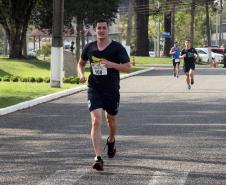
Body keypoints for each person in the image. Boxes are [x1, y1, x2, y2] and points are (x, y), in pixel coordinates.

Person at [77, 19, 131, 171]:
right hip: (94, 88)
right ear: (95, 30)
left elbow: (128, 68)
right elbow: (80, 63)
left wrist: (111, 64)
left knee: (111, 121)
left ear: (108, 30)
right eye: (99, 28)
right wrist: (81, 74)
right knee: (96, 120)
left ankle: (111, 140)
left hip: (112, 90)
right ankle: (98, 158)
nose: (101, 30)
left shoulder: (116, 48)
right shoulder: (89, 47)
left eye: (104, 28)